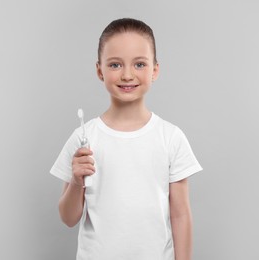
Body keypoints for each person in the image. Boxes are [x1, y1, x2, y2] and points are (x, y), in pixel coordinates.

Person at [50, 18, 203, 260]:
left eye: (140, 64)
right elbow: (68, 218)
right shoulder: (83, 138)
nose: (128, 74)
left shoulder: (171, 138)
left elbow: (181, 215)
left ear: (155, 70)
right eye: (115, 65)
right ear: (100, 70)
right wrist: (77, 180)